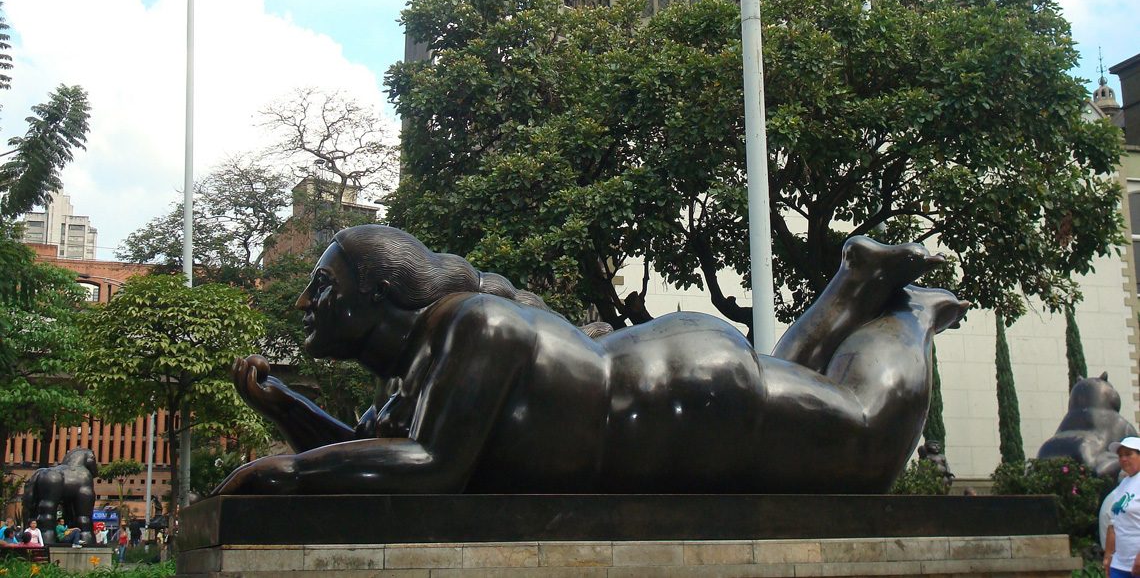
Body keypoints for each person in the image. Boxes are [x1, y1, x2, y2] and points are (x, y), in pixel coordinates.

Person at [216, 226, 968, 496]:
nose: (303, 304)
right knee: (790, 391)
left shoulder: (473, 326)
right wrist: (285, 410)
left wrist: (290, 472)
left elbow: (431, 468)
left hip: (687, 395)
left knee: (865, 445)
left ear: (376, 293)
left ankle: (910, 314)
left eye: (322, 288)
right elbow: (380, 466)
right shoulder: (423, 365)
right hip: (676, 402)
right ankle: (859, 278)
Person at [1104, 436, 1140, 577]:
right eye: (1120, 456)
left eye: (1128, 454)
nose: (1123, 459)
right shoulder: (1123, 484)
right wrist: (1108, 555)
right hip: (1120, 564)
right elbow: (1114, 524)